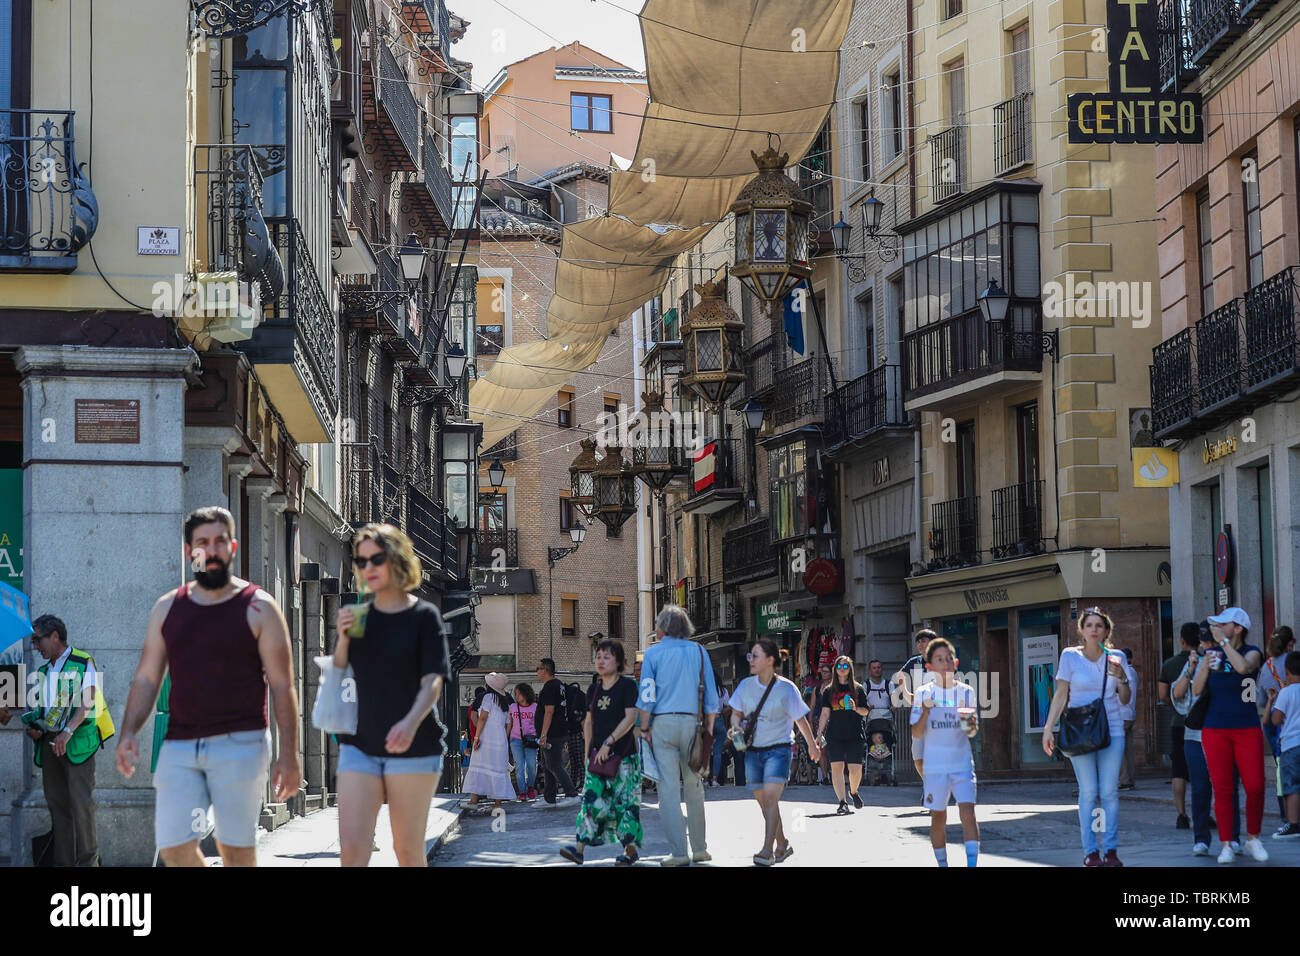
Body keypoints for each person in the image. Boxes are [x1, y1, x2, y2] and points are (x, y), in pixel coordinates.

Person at [116, 506, 301, 868]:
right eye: (203, 542)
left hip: (242, 742)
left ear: (232, 547)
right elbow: (146, 678)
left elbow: (282, 686)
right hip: (180, 744)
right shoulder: (167, 608)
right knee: (173, 848)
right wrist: (128, 732)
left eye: (220, 541)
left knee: (235, 852)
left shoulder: (259, 607)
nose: (212, 550)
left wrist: (290, 755)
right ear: (189, 552)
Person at [331, 524, 450, 866]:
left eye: (376, 559)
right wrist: (343, 637)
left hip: (413, 746)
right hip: (358, 744)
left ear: (396, 560)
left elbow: (433, 681)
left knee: (407, 850)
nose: (368, 568)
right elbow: (340, 671)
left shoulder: (424, 616)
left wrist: (410, 724)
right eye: (361, 561)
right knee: (353, 849)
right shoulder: (358, 616)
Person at [20, 615, 114, 866]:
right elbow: (44, 711)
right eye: (33, 642)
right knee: (58, 807)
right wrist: (37, 729)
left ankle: (88, 864)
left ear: (54, 636)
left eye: (38, 640)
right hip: (50, 744)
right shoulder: (42, 671)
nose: (36, 647)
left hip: (77, 743)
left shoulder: (82, 662)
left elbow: (88, 701)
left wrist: (68, 731)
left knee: (82, 806)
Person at [1042, 607, 1131, 867]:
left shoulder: (1116, 658)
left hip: (1112, 727)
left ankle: (1111, 851)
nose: (1094, 629)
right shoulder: (1070, 656)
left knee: (1109, 791)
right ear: (1082, 630)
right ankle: (1091, 851)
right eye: (1089, 625)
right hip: (1080, 728)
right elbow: (1061, 694)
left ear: (1106, 631)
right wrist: (1048, 728)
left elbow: (1125, 699)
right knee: (1089, 791)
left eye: (1099, 626)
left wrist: (1123, 679)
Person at [636, 605, 719, 866]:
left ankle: (679, 853)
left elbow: (647, 694)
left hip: (662, 724)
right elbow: (712, 697)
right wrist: (708, 728)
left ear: (661, 628)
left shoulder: (652, 654)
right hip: (693, 724)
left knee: (668, 791)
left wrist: (645, 728)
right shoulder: (699, 650)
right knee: (695, 788)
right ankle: (701, 849)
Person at [729, 639, 820, 865]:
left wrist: (811, 745)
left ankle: (766, 850)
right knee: (764, 802)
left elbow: (800, 719)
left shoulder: (787, 688)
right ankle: (782, 842)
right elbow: (735, 713)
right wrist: (735, 726)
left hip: (779, 749)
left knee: (770, 798)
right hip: (752, 750)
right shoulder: (745, 686)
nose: (751, 660)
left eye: (755, 656)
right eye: (750, 656)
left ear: (770, 661)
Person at [1194, 607, 1269, 863]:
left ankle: (1253, 838)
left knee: (1256, 785)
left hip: (1247, 727)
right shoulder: (1211, 652)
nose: (1217, 628)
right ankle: (1226, 843)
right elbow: (1195, 690)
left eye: (1223, 625)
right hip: (1215, 727)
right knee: (1223, 788)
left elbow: (1243, 668)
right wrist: (1203, 665)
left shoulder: (1253, 652)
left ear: (1238, 628)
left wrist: (1224, 643)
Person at [560, 638, 642, 865]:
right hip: (597, 759)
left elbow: (631, 717)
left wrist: (609, 742)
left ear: (618, 662)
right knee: (590, 802)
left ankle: (630, 850)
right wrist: (589, 754)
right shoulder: (594, 689)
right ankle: (579, 849)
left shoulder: (627, 686)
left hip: (624, 756)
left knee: (625, 805)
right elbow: (589, 721)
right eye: (598, 656)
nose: (601, 661)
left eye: (607, 657)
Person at [910, 638, 980, 866]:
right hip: (935, 768)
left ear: (956, 662)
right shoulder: (923, 693)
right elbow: (917, 733)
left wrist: (966, 718)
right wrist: (926, 713)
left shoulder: (966, 691)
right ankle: (942, 863)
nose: (946, 663)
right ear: (929, 666)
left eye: (949, 658)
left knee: (967, 812)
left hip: (962, 765)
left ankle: (971, 863)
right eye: (939, 659)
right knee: (938, 816)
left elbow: (971, 732)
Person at [816, 655, 871, 814]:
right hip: (835, 733)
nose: (842, 669)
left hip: (855, 733)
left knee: (855, 769)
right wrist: (819, 732)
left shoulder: (858, 688)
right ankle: (842, 802)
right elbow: (825, 713)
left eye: (845, 666)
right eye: (839, 666)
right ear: (835, 669)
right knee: (837, 768)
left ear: (850, 669)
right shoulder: (829, 690)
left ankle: (853, 792)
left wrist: (855, 708)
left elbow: (865, 711)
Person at [1158, 623, 1198, 828]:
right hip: (1201, 723)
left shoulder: (1170, 664)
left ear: (1181, 640)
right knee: (1202, 770)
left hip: (1178, 723)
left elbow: (1163, 695)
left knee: (1179, 770)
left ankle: (1181, 814)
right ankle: (1204, 812)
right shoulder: (1205, 662)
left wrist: (1177, 704)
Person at [463, 673, 518, 813]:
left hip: (486, 737)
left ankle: (473, 801)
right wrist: (503, 739)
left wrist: (477, 737)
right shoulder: (505, 701)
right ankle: (497, 803)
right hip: (500, 739)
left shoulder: (488, 697)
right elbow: (508, 723)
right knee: (498, 769)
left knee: (478, 765)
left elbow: (482, 718)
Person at [1259, 626, 1295, 826]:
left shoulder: (1266, 667)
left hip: (1273, 720)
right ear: (1290, 643)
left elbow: (1259, 699)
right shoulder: (1294, 662)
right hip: (1291, 718)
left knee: (1281, 770)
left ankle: (1285, 815)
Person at [535, 658, 581, 808]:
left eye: (538, 668)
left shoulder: (549, 687)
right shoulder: (559, 684)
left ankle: (571, 793)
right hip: (558, 730)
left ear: (545, 670)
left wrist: (543, 734)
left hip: (553, 733)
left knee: (554, 765)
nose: (537, 671)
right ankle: (549, 798)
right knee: (547, 765)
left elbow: (549, 711)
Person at [1264, 651, 1300, 839]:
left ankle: (1293, 824)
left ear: (1286, 671)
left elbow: (1276, 720)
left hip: (1291, 745)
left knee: (1291, 785)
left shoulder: (1286, 692)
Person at [895, 629, 937, 777]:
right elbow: (900, 675)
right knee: (918, 758)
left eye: (923, 641)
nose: (920, 644)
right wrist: (907, 695)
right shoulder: (914, 662)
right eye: (918, 641)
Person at [509, 683, 539, 801]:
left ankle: (530, 787)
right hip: (515, 740)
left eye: (519, 693)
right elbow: (510, 724)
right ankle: (522, 791)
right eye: (515, 694)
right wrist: (506, 739)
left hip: (531, 739)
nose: (516, 696)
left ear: (526, 694)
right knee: (519, 766)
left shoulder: (535, 707)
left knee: (532, 765)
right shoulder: (512, 707)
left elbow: (538, 724)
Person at [1117, 647, 1140, 790]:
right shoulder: (1134, 672)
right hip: (1130, 714)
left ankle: (1124, 780)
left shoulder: (1125, 673)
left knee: (1119, 749)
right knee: (1128, 749)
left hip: (1121, 714)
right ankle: (1129, 778)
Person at [708, 676, 730, 787]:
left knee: (705, 750)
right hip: (719, 720)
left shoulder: (706, 689)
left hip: (707, 721)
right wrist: (721, 712)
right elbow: (728, 707)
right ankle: (715, 779)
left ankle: (705, 778)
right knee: (717, 752)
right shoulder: (723, 691)